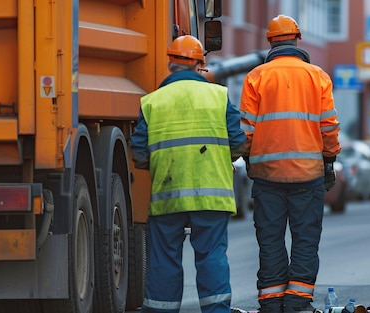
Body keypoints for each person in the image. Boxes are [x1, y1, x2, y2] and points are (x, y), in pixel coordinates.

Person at [130, 35, 246, 313]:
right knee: (211, 257)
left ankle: (161, 310)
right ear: (198, 65)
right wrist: (222, 158)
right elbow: (239, 142)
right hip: (212, 195)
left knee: (164, 258)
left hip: (168, 196)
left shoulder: (152, 101)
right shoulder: (218, 96)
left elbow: (139, 154)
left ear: (171, 64)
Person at [239, 14, 342, 313]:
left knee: (270, 239)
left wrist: (247, 156)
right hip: (307, 177)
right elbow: (328, 127)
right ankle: (298, 302)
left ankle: (271, 302)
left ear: (270, 41)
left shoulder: (256, 77)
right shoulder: (318, 76)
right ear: (298, 39)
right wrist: (329, 159)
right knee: (305, 239)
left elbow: (247, 129)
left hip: (268, 177)